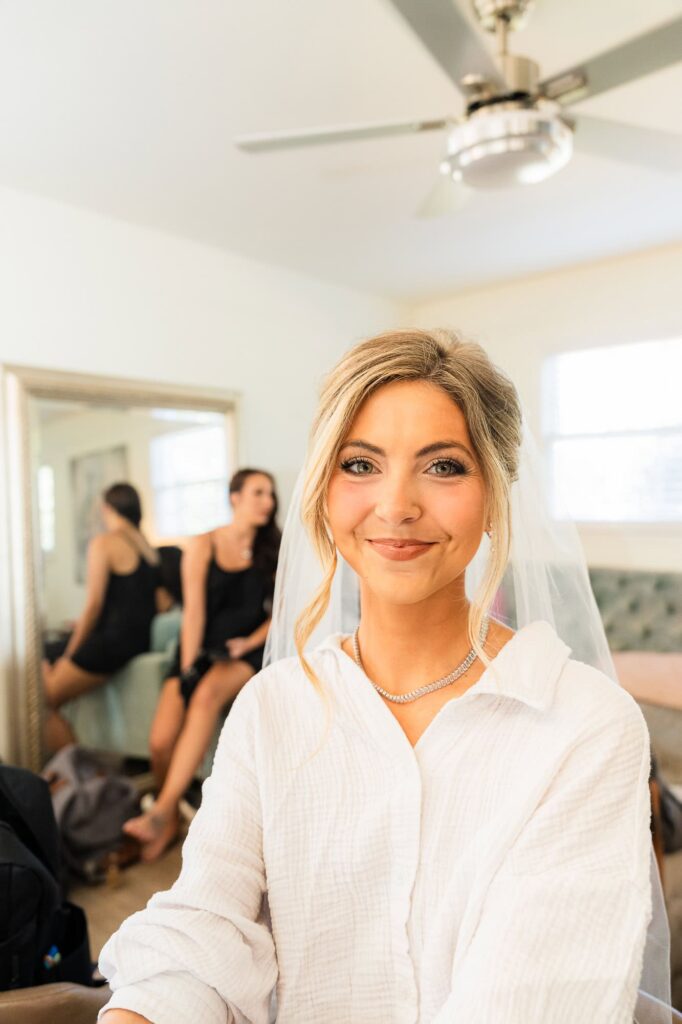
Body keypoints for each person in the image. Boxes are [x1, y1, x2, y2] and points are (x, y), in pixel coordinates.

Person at [98, 330, 664, 1024]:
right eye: (360, 464)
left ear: (496, 494)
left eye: (444, 466)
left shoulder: (585, 724)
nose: (396, 505)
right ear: (323, 489)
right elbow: (201, 934)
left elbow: (531, 1002)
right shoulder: (272, 707)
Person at [122, 468, 280, 862]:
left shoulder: (273, 547)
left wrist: (249, 642)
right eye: (258, 493)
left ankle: (159, 812)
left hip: (244, 650)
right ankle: (172, 818)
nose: (268, 502)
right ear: (235, 497)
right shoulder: (203, 544)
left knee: (206, 697)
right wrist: (189, 668)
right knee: (160, 741)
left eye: (270, 494)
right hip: (198, 649)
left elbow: (281, 611)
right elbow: (193, 613)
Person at [43, 482, 169, 753]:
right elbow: (160, 604)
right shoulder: (148, 549)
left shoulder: (104, 543)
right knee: (45, 652)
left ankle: (77, 774)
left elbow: (94, 605)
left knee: (44, 700)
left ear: (106, 509)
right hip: (136, 640)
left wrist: (70, 654)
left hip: (112, 642)